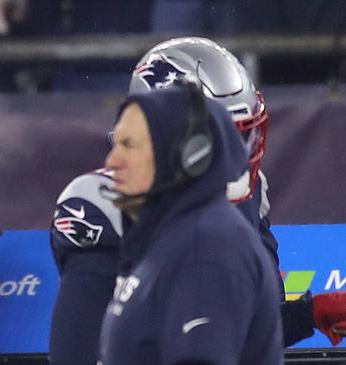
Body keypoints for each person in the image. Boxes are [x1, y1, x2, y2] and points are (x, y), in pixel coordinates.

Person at [48, 36, 346, 365]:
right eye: (222, 134)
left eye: (244, 133)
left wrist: (310, 313)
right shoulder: (106, 207)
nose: (240, 153)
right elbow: (76, 353)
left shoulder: (242, 199)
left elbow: (235, 330)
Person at [99, 82, 283, 364]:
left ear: (186, 156)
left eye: (129, 145)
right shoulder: (176, 240)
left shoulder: (205, 248)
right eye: (116, 143)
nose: (112, 160)